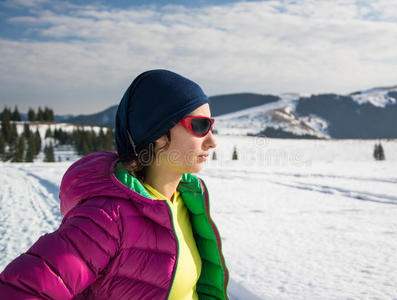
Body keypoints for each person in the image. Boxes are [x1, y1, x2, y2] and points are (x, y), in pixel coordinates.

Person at [0, 70, 229, 300]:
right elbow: (22, 291)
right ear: (159, 132)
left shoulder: (188, 201)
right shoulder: (109, 217)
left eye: (211, 126)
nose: (212, 141)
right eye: (200, 126)